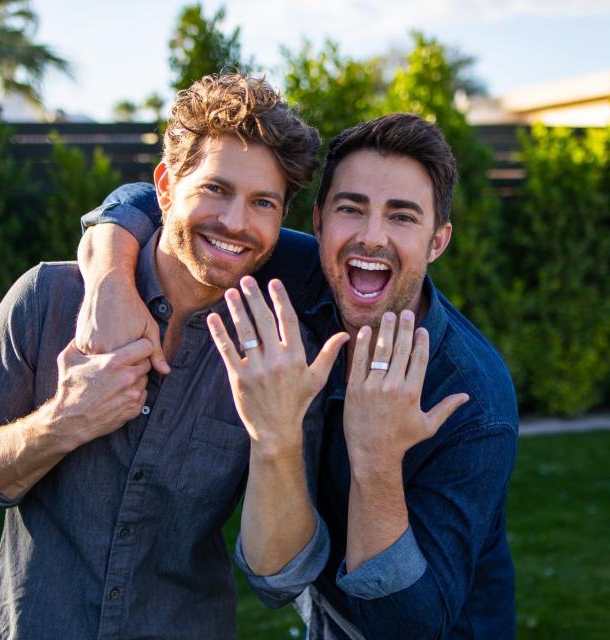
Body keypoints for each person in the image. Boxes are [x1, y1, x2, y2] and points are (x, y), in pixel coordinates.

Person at [0, 73, 343, 639]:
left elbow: (278, 577)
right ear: (165, 187)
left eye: (262, 202)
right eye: (215, 188)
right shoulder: (50, 298)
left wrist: (278, 436)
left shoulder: (282, 356)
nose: (237, 222)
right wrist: (59, 425)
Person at [78, 113, 520, 638]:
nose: (371, 237)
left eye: (402, 217)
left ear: (437, 242)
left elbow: (409, 625)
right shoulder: (304, 273)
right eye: (351, 209)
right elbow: (159, 200)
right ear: (318, 222)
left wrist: (376, 459)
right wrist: (109, 279)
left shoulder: (473, 400)